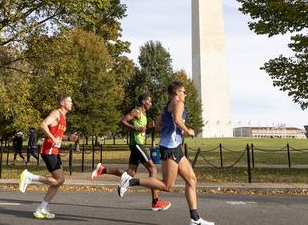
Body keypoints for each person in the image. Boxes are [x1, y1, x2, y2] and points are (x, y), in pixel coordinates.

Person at [117, 82, 215, 225]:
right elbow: (177, 119)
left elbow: (157, 127)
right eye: (184, 91)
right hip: (170, 149)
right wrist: (188, 131)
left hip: (173, 148)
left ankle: (195, 219)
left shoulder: (166, 107)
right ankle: (131, 181)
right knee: (167, 186)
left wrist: (171, 129)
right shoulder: (178, 103)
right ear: (176, 93)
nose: (185, 94)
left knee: (192, 179)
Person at [91, 93, 171, 211]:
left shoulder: (144, 115)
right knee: (153, 169)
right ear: (144, 101)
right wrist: (136, 128)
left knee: (130, 173)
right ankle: (155, 201)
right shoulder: (136, 111)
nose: (151, 103)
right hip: (137, 144)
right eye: (150, 101)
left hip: (138, 145)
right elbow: (123, 121)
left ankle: (102, 170)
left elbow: (141, 128)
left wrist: (147, 126)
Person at [19, 94, 78, 219]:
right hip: (48, 150)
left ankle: (42, 209)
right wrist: (52, 138)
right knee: (59, 180)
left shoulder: (63, 117)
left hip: (54, 151)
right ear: (62, 103)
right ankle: (30, 177)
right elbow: (43, 125)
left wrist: (69, 138)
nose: (72, 103)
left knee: (58, 182)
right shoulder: (56, 113)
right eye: (69, 101)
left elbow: (58, 134)